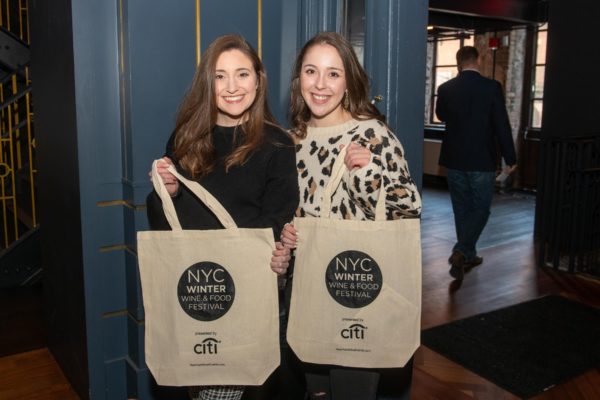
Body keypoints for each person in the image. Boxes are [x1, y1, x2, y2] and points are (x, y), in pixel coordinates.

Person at [146, 34, 298, 400]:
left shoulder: (277, 143)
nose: (232, 87)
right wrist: (169, 193)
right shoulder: (185, 137)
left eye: (242, 74)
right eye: (220, 76)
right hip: (195, 286)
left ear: (258, 80)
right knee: (196, 379)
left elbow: (276, 219)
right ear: (207, 83)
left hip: (248, 286)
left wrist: (231, 253)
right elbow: (165, 223)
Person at [280, 31, 422, 400]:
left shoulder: (372, 134)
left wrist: (369, 172)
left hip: (356, 286)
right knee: (316, 390)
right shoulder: (292, 140)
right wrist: (288, 233)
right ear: (298, 79)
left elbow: (408, 207)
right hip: (308, 285)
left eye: (333, 73)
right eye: (311, 71)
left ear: (348, 82)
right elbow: (289, 209)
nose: (320, 84)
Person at [435, 45, 517, 281]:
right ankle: (462, 251)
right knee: (481, 208)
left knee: (461, 208)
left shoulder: (445, 88)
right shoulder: (491, 87)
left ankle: (467, 254)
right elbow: (501, 124)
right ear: (478, 60)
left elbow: (441, 116)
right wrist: (510, 157)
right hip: (482, 158)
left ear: (459, 63)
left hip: (454, 158)